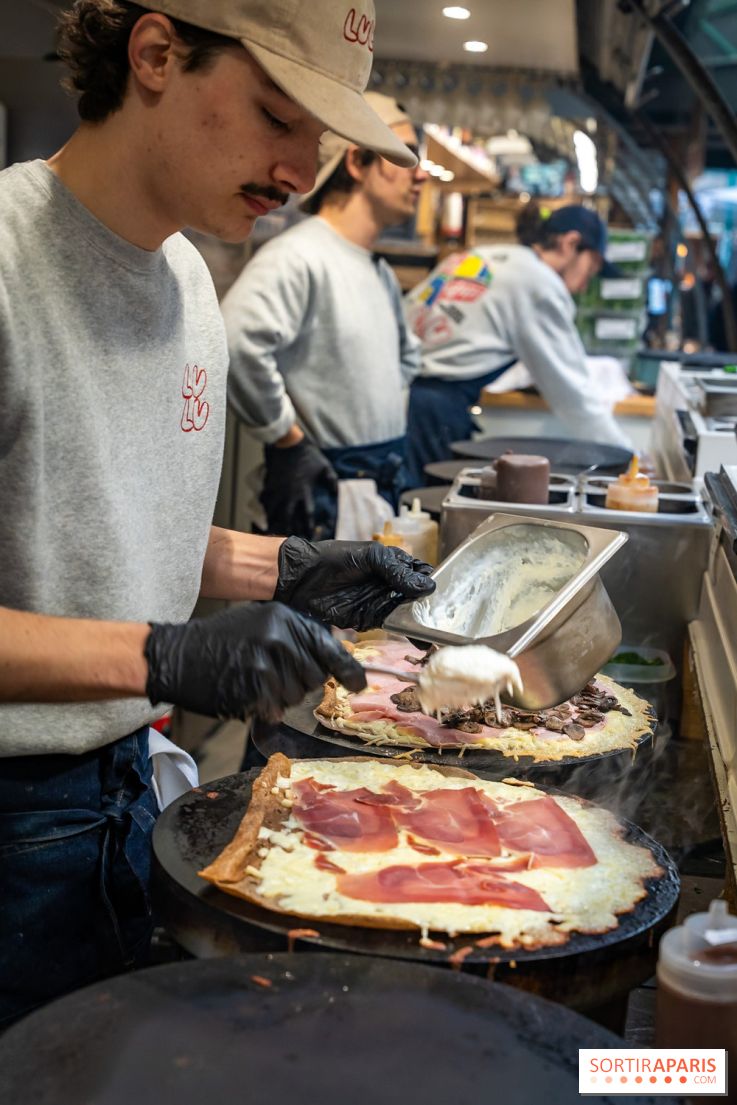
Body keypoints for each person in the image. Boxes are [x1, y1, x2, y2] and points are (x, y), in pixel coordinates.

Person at [0, 0, 435, 1025]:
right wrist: (163, 655)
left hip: (127, 790)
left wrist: (284, 566)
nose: (298, 171)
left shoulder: (189, 282)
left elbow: (95, 525)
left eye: (317, 142)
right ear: (156, 54)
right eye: (277, 118)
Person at [223, 93, 427, 540]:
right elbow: (237, 341)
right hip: (323, 493)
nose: (422, 173)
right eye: (405, 155)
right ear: (356, 161)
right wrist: (287, 437)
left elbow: (407, 360)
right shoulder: (299, 256)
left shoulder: (377, 269)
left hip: (373, 484)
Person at [403, 205, 634, 486]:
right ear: (570, 243)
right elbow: (572, 393)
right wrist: (629, 462)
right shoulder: (539, 283)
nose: (585, 285)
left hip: (398, 397)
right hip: (432, 415)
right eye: (592, 267)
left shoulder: (478, 256)